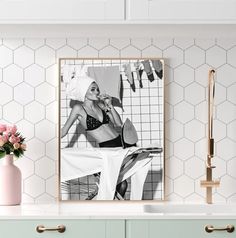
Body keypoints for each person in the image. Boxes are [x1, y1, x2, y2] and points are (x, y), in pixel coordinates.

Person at [61, 76, 128, 198]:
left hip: (120, 145)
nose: (97, 92)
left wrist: (110, 105)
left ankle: (113, 210)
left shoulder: (101, 106)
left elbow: (118, 124)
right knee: (120, 185)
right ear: (83, 91)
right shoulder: (79, 109)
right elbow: (64, 130)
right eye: (92, 89)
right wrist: (47, 141)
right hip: (106, 149)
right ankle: (111, 210)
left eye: (97, 89)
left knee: (121, 184)